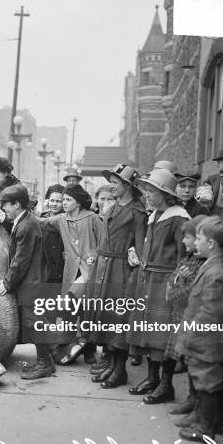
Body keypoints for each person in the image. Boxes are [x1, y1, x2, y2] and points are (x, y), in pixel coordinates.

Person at [127, 168, 189, 403]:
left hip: (165, 282)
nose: (146, 195)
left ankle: (166, 384)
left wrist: (177, 285)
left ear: (164, 194)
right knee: (147, 331)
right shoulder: (155, 215)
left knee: (163, 334)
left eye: (151, 191)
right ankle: (152, 378)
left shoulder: (178, 217)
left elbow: (184, 258)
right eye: (145, 191)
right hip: (148, 279)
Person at [174, 216, 223, 443]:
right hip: (206, 340)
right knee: (209, 380)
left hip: (207, 339)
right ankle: (216, 421)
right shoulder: (212, 265)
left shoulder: (216, 271)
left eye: (198, 238)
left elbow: (210, 312)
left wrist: (189, 335)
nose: (194, 242)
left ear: (210, 243)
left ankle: (204, 427)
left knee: (207, 382)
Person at [87, 164, 146, 388]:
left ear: (127, 185)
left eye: (116, 182)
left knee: (118, 319)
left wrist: (136, 273)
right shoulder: (111, 208)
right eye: (111, 181)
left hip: (121, 270)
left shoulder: (137, 212)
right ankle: (110, 365)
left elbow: (140, 248)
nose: (111, 186)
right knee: (103, 317)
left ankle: (120, 370)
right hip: (103, 268)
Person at [0, 184, 50, 379]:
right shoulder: (24, 221)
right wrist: (3, 219)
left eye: (6, 206)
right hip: (34, 279)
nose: (4, 209)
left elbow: (21, 260)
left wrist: (6, 283)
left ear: (18, 205)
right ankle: (46, 361)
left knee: (35, 322)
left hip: (32, 281)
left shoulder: (26, 226)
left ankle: (45, 364)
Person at [37, 184, 101, 365]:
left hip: (90, 271)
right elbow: (39, 222)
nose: (64, 203)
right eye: (62, 200)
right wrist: (5, 217)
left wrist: (93, 257)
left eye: (67, 200)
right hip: (70, 272)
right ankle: (67, 348)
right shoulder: (60, 219)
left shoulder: (93, 218)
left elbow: (105, 243)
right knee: (70, 311)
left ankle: (88, 350)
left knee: (86, 310)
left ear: (78, 202)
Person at [164, 215, 207, 424]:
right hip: (181, 316)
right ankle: (192, 398)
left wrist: (173, 291)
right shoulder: (188, 259)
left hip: (193, 319)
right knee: (188, 361)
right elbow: (172, 280)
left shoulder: (205, 264)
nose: (184, 241)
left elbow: (188, 292)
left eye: (189, 237)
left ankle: (199, 406)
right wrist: (173, 287)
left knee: (198, 366)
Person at [41, 184, 65, 285]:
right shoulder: (42, 217)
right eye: (52, 200)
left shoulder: (66, 218)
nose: (54, 204)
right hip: (44, 268)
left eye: (58, 201)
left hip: (62, 267)